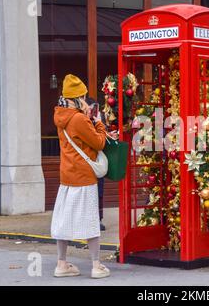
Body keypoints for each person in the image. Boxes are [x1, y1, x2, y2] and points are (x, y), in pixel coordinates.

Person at [51, 74, 115, 279]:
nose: (86, 100)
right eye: (84, 97)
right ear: (77, 98)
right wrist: (98, 123)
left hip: (67, 175)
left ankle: (62, 264)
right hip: (84, 177)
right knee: (90, 221)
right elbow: (99, 143)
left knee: (63, 221)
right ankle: (97, 266)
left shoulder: (60, 114)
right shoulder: (78, 118)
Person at [85, 97, 107, 231]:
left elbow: (102, 134)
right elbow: (95, 138)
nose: (94, 111)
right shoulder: (83, 120)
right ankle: (89, 220)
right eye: (92, 108)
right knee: (90, 192)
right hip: (88, 160)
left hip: (97, 159)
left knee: (99, 191)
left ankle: (98, 218)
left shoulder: (99, 118)